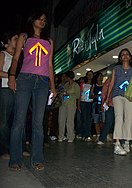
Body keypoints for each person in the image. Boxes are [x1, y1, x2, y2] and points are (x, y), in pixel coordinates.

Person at [8, 10, 56, 171]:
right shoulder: (24, 37)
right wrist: (12, 76)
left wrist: (53, 87)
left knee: (38, 123)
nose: (42, 22)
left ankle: (37, 159)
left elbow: (50, 65)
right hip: (25, 79)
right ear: (32, 20)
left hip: (42, 82)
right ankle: (15, 159)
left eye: (44, 20)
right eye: (39, 19)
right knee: (18, 121)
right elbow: (15, 58)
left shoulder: (49, 41)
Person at [106, 48, 132, 155]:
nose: (125, 56)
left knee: (129, 119)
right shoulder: (116, 68)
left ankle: (127, 142)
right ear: (120, 57)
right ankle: (117, 144)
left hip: (130, 96)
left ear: (130, 56)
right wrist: (108, 98)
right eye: (122, 54)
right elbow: (112, 83)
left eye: (127, 54)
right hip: (117, 95)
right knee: (119, 118)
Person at [0, 32, 18, 160]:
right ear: (8, 41)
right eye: (15, 39)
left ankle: (18, 147)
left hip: (19, 91)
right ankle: (5, 148)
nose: (17, 41)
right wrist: (13, 76)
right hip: (6, 89)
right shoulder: (3, 54)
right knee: (4, 122)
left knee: (18, 120)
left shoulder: (18, 56)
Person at [58, 71, 80, 142]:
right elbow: (61, 92)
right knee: (61, 120)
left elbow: (77, 95)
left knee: (70, 121)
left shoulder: (76, 85)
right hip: (63, 104)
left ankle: (70, 136)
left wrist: (69, 95)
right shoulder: (66, 85)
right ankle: (61, 136)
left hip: (71, 104)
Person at [97, 77, 114, 145]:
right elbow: (104, 92)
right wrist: (103, 103)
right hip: (110, 103)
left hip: (121, 104)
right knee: (108, 121)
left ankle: (118, 140)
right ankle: (102, 138)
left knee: (118, 122)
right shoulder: (109, 80)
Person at [79, 70, 94, 141]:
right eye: (88, 74)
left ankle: (88, 134)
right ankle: (83, 134)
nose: (89, 76)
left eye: (91, 74)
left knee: (89, 119)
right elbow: (80, 94)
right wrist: (78, 104)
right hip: (83, 102)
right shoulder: (83, 84)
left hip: (90, 102)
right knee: (84, 118)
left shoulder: (94, 85)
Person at [90, 72, 104, 142]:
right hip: (95, 104)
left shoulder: (104, 85)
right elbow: (90, 96)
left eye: (102, 76)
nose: (101, 78)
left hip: (103, 104)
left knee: (104, 120)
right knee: (96, 120)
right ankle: (98, 135)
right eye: (99, 76)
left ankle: (104, 134)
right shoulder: (94, 86)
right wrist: (97, 96)